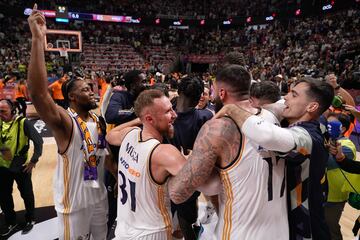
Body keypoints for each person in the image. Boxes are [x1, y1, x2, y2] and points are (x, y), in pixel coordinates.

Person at [169, 65, 289, 239]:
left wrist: (185, 162)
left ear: (222, 92)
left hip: (240, 230)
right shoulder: (272, 117)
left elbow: (177, 193)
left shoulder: (218, 128)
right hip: (279, 228)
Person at [213, 77, 334, 239]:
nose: (285, 98)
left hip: (307, 230)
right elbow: (276, 104)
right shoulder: (320, 123)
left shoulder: (307, 138)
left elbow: (267, 136)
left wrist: (233, 109)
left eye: (294, 94)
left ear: (312, 106)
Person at [28, 6, 108, 239]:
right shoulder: (65, 120)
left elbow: (106, 160)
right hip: (74, 205)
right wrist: (37, 40)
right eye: (85, 90)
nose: (92, 92)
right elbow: (38, 93)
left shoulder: (97, 119)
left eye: (91, 87)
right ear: (71, 97)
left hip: (99, 198)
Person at [105, 89, 186, 239]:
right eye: (168, 111)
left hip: (124, 228)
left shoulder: (129, 134)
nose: (174, 115)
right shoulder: (165, 153)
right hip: (152, 232)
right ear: (149, 119)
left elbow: (110, 135)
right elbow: (205, 183)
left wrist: (139, 120)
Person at [0, 99, 43, 236]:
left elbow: (39, 141)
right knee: (4, 196)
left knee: (26, 194)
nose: (0, 114)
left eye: (3, 111)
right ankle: (11, 222)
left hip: (20, 167)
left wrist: (33, 161)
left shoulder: (23, 122)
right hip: (2, 167)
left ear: (12, 110)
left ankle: (30, 219)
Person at [325, 113, 357, 240]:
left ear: (342, 128)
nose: (327, 127)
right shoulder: (327, 141)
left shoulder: (347, 146)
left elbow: (328, 163)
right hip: (322, 193)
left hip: (335, 196)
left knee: (331, 228)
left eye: (330, 124)